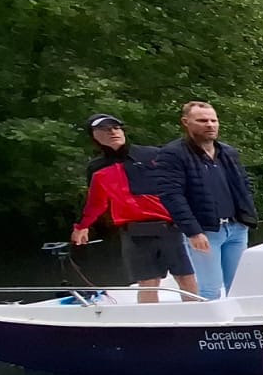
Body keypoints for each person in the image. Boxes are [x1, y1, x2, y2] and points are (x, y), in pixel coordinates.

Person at [73, 114, 200, 304]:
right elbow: (97, 202)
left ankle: (196, 317)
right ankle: (151, 327)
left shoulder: (152, 154)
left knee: (185, 277)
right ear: (94, 135)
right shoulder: (96, 168)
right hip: (134, 232)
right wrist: (82, 225)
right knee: (148, 282)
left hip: (169, 227)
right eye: (106, 129)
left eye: (116, 127)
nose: (113, 132)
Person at [155, 101, 258, 301]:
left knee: (239, 286)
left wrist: (247, 216)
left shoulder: (228, 152)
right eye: (202, 120)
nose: (210, 125)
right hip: (206, 231)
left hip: (236, 227)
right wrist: (193, 231)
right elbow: (171, 195)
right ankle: (209, 330)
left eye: (213, 120)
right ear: (186, 122)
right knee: (209, 288)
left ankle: (240, 329)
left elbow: (243, 185)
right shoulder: (173, 154)